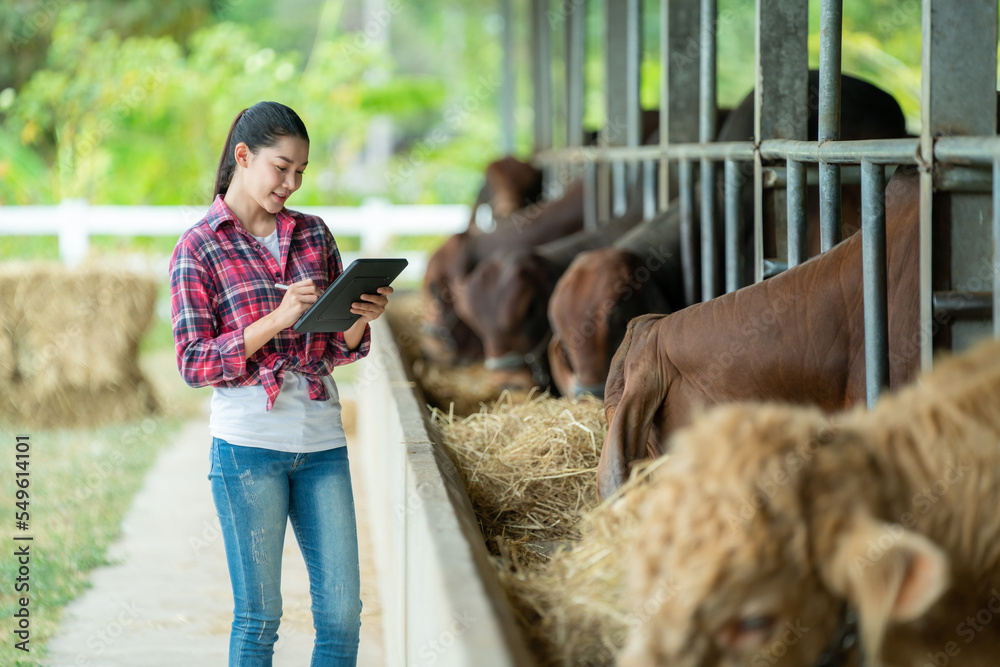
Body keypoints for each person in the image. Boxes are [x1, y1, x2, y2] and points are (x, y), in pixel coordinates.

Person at [169, 101, 390, 666]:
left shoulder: (314, 235)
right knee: (259, 618)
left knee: (342, 614)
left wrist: (363, 313)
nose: (291, 183)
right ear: (243, 157)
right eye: (281, 167)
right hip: (246, 451)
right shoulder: (199, 248)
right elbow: (194, 363)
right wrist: (274, 320)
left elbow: (339, 347)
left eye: (301, 172)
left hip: (321, 444)